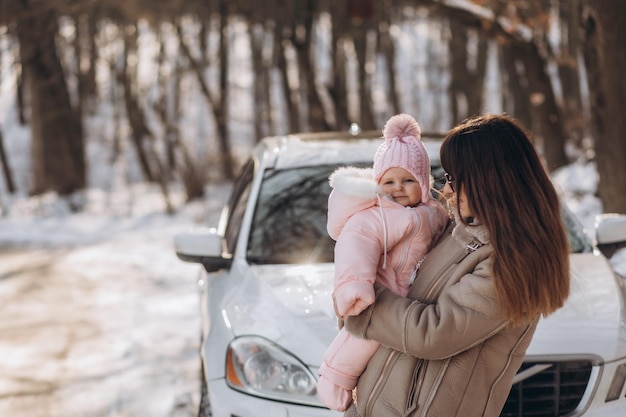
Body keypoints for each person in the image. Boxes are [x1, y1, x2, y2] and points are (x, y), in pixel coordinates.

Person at [340, 113, 571, 417]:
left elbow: (434, 332)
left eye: (452, 178)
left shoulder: (514, 260)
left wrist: (362, 303)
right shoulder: (457, 230)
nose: (446, 190)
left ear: (487, 180)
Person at [317, 113, 450, 411]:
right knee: (359, 341)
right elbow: (357, 244)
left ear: (425, 184)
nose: (398, 188)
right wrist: (354, 284)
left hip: (410, 301)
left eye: (408, 180)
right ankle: (333, 378)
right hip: (380, 293)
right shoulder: (377, 215)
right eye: (388, 181)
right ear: (377, 184)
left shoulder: (433, 212)